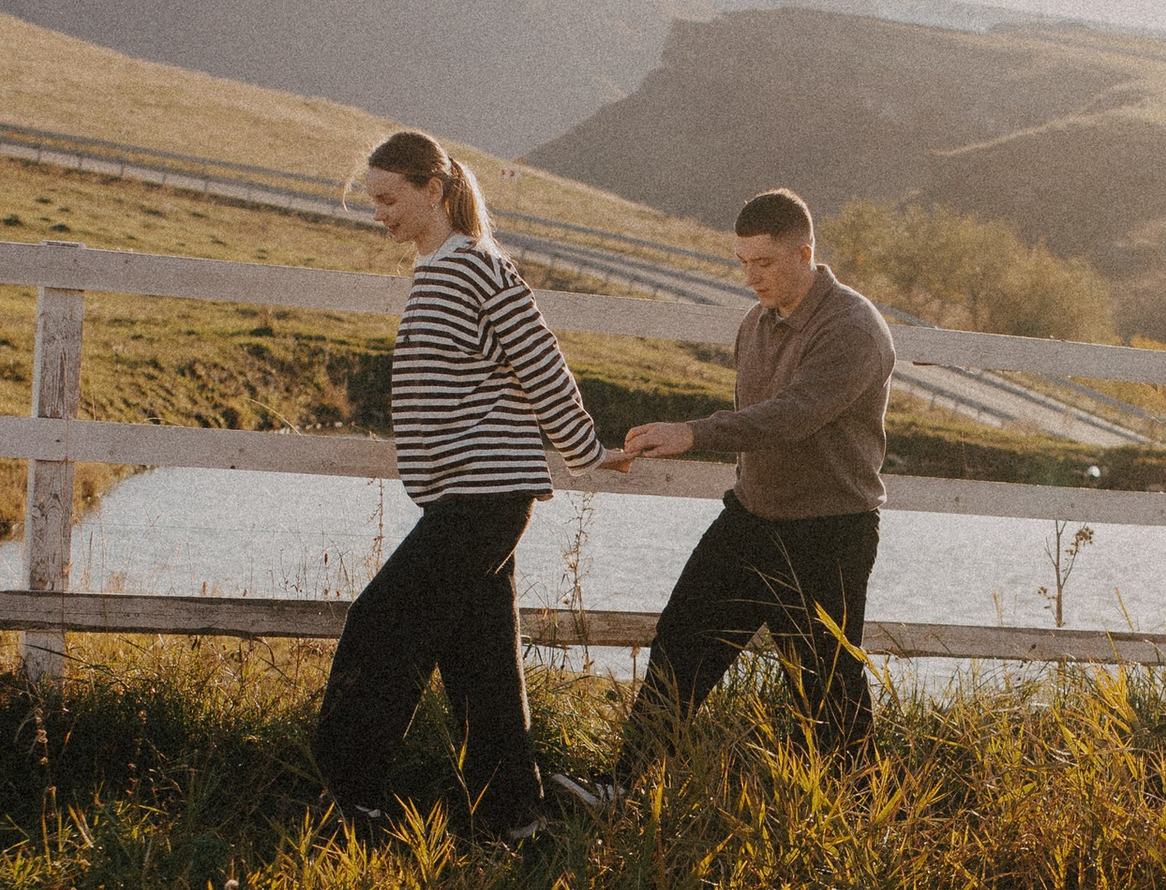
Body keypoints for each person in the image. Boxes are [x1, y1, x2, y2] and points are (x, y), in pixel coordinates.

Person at [314, 129, 610, 843]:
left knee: (380, 629)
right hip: (459, 498)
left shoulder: (478, 266)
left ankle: (351, 806)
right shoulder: (436, 271)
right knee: (480, 663)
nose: (379, 213)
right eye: (374, 200)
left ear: (433, 191)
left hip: (487, 499)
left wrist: (586, 452)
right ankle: (515, 820)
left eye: (389, 198)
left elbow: (540, 365)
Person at [612, 187, 895, 773]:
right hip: (750, 518)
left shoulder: (854, 327)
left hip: (828, 532)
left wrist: (693, 433)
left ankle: (863, 817)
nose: (750, 277)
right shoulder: (756, 322)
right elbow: (756, 420)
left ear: (804, 254)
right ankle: (621, 788)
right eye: (742, 262)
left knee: (826, 691)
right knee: (680, 648)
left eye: (763, 263)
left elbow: (794, 416)